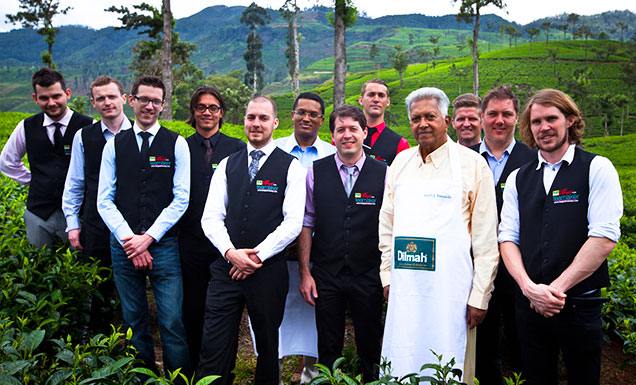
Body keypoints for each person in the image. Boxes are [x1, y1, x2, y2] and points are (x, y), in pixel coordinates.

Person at [499, 89, 622, 385]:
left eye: (551, 118)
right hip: (529, 304)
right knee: (536, 377)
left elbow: (604, 236)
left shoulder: (596, 167)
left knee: (583, 376)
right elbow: (507, 237)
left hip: (579, 304)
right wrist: (530, 289)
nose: (544, 127)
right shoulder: (519, 177)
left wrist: (554, 291)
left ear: (570, 120)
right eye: (536, 121)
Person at [379, 87, 499, 385]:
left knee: (449, 360)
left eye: (430, 116)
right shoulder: (400, 164)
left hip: (452, 291)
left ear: (446, 120)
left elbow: (485, 239)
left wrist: (480, 296)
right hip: (405, 286)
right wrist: (388, 276)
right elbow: (387, 226)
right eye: (416, 118)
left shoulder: (472, 165)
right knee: (403, 355)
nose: (423, 124)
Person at [198, 96, 306, 385]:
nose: (256, 124)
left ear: (275, 122)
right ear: (243, 121)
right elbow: (210, 218)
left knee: (269, 345)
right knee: (214, 343)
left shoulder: (292, 167)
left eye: (262, 118)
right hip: (226, 270)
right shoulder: (226, 165)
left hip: (267, 272)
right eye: (250, 117)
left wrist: (257, 256)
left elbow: (293, 222)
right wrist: (231, 253)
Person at [97, 76, 190, 375]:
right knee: (133, 318)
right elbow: (104, 200)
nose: (149, 106)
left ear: (163, 105)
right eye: (144, 99)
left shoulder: (177, 144)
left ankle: (178, 380)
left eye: (156, 101)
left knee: (172, 320)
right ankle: (142, 377)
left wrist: (147, 238)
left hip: (164, 246)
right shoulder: (114, 145)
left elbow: (181, 199)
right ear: (132, 100)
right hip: (123, 246)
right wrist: (130, 239)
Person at [299, 105, 386, 382]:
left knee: (371, 345)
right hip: (327, 273)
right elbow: (307, 222)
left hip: (368, 273)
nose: (347, 135)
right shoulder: (315, 172)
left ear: (364, 133)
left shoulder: (384, 172)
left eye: (353, 129)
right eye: (340, 130)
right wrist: (305, 272)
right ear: (332, 136)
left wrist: (387, 275)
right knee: (327, 345)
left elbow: (392, 225)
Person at [177, 86, 245, 368]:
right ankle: (192, 368)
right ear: (193, 112)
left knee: (222, 313)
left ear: (221, 113)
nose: (207, 112)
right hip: (188, 242)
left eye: (213, 107)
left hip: (223, 245)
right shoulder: (181, 146)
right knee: (191, 308)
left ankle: (220, 369)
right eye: (201, 107)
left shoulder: (237, 149)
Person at [471, 86, 535, 385]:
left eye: (506, 114)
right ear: (482, 117)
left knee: (521, 337)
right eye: (492, 114)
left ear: (516, 117)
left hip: (520, 266)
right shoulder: (463, 158)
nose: (499, 120)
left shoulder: (533, 160)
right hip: (474, 265)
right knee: (482, 340)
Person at [273, 92, 335, 384]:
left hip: (318, 246)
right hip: (277, 247)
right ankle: (275, 370)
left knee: (313, 309)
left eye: (313, 114)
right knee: (277, 308)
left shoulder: (331, 156)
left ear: (322, 120)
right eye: (301, 112)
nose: (307, 118)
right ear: (292, 115)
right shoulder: (275, 151)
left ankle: (309, 373)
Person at [62, 75, 131, 333]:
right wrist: (73, 224)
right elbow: (75, 183)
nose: (107, 102)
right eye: (100, 98)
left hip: (131, 226)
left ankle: (130, 345)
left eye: (112, 96)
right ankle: (98, 347)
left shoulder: (140, 133)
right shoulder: (84, 137)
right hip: (95, 223)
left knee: (130, 290)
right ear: (93, 103)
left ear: (124, 99)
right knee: (99, 287)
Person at [0, 68, 93, 248]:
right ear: (35, 98)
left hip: (79, 214)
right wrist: (33, 181)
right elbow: (6, 162)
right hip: (39, 214)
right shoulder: (26, 126)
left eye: (56, 96)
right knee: (39, 264)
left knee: (80, 266)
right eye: (44, 98)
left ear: (67, 94)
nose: (51, 103)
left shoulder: (88, 126)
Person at [357, 79, 409, 165]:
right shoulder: (345, 135)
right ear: (361, 100)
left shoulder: (400, 144)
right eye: (371, 95)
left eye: (381, 95)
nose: (376, 99)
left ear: (388, 101)